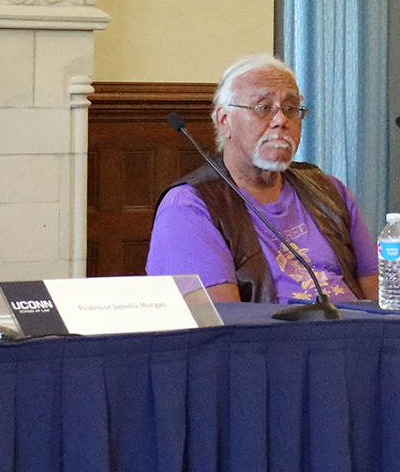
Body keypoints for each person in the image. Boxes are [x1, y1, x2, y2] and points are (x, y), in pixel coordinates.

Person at [146, 55, 378, 304]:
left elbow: (382, 299)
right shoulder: (188, 207)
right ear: (224, 121)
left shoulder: (329, 191)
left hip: (360, 334)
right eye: (264, 108)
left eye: (290, 109)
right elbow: (225, 327)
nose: (281, 120)